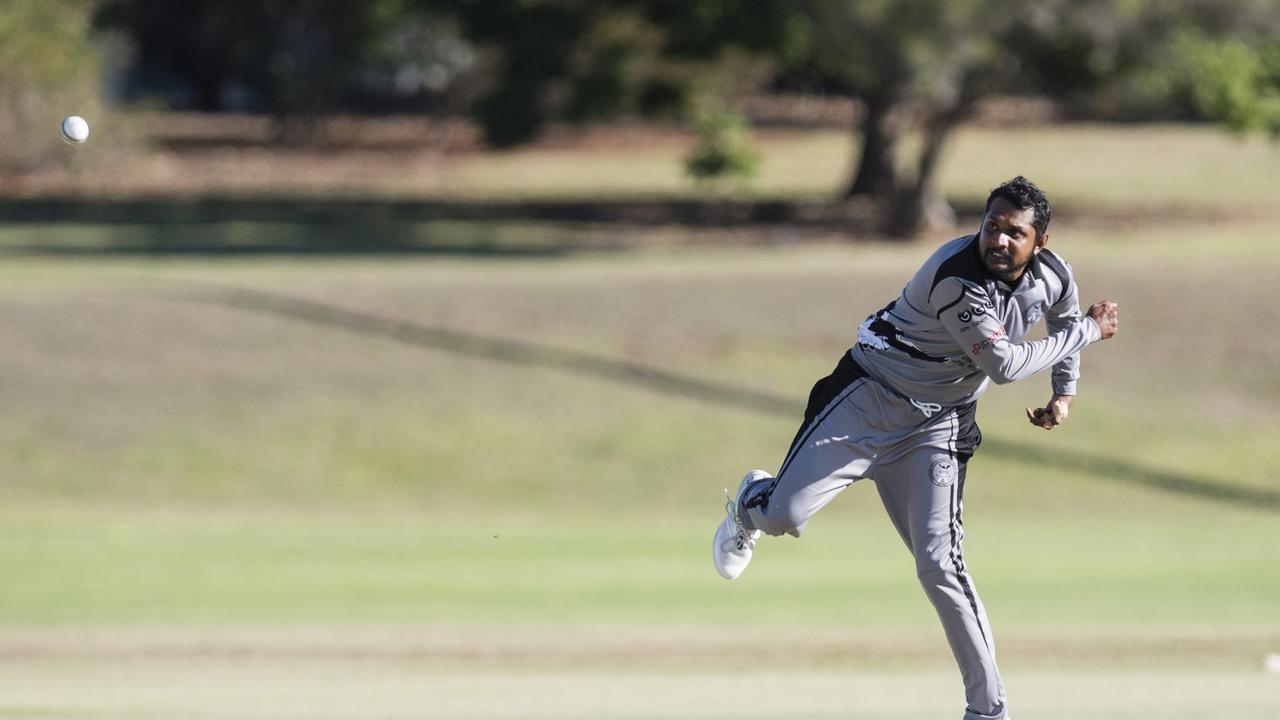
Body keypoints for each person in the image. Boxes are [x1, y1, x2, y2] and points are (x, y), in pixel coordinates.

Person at [712, 176, 1119, 720]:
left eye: (1013, 233)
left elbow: (1064, 322)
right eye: (991, 226)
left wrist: (1063, 394)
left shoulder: (1054, 274)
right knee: (784, 513)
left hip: (937, 427)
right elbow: (1004, 366)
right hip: (867, 399)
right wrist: (1091, 333)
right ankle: (750, 503)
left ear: (1038, 243)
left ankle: (987, 710)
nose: (998, 240)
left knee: (941, 567)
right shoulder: (957, 280)